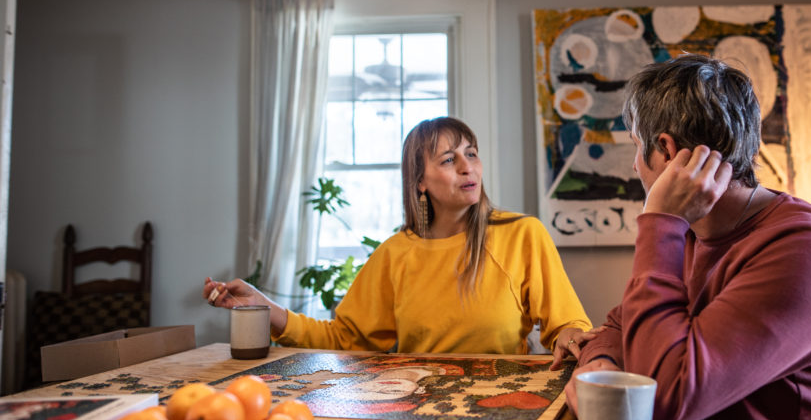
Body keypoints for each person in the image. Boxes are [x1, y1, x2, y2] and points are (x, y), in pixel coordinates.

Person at [568, 55, 811, 420]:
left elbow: (666, 399)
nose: (634, 165)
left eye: (636, 147)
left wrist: (660, 222)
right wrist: (602, 365)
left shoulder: (809, 250)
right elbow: (617, 324)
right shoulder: (696, 233)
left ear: (666, 151)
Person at [205, 116, 594, 366]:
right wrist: (263, 305)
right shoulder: (396, 254)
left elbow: (567, 324)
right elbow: (344, 338)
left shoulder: (523, 234)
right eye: (448, 159)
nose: (467, 166)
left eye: (471, 154)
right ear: (420, 182)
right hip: (419, 409)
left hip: (508, 403)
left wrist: (572, 334)